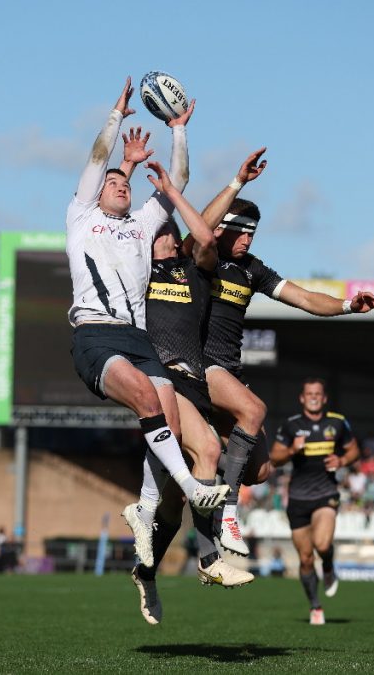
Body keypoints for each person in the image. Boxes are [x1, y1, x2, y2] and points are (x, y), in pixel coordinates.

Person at [66, 77, 228, 567]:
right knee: (143, 396)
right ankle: (188, 488)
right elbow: (98, 158)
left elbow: (178, 180)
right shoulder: (80, 215)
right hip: (95, 333)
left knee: (170, 427)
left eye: (124, 183)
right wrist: (115, 120)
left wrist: (178, 131)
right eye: (112, 182)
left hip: (137, 338)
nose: (118, 184)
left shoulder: (141, 224)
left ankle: (147, 507)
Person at [195, 174, 374, 556]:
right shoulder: (203, 260)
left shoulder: (253, 269)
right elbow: (200, 228)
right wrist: (237, 182)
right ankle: (228, 511)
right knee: (254, 408)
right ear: (222, 228)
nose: (249, 239)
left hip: (230, 371)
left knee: (260, 471)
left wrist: (348, 305)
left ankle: (206, 463)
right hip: (199, 366)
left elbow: (307, 299)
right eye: (242, 231)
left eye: (254, 233)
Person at [124, 150, 268, 624]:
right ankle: (210, 560)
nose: (165, 231)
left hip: (195, 387)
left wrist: (179, 191)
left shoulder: (195, 271)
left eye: (171, 226)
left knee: (171, 502)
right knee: (207, 450)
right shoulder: (141, 278)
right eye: (158, 229)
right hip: (160, 383)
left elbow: (205, 235)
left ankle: (147, 572)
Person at [270, 378, 360, 625]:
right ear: (302, 398)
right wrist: (291, 451)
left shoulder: (337, 422)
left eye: (317, 393)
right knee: (306, 558)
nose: (313, 397)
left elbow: (354, 451)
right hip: (298, 499)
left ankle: (329, 566)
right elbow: (274, 458)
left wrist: (341, 461)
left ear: (324, 398)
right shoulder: (291, 426)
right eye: (309, 393)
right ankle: (315, 606)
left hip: (325, 494)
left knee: (322, 545)